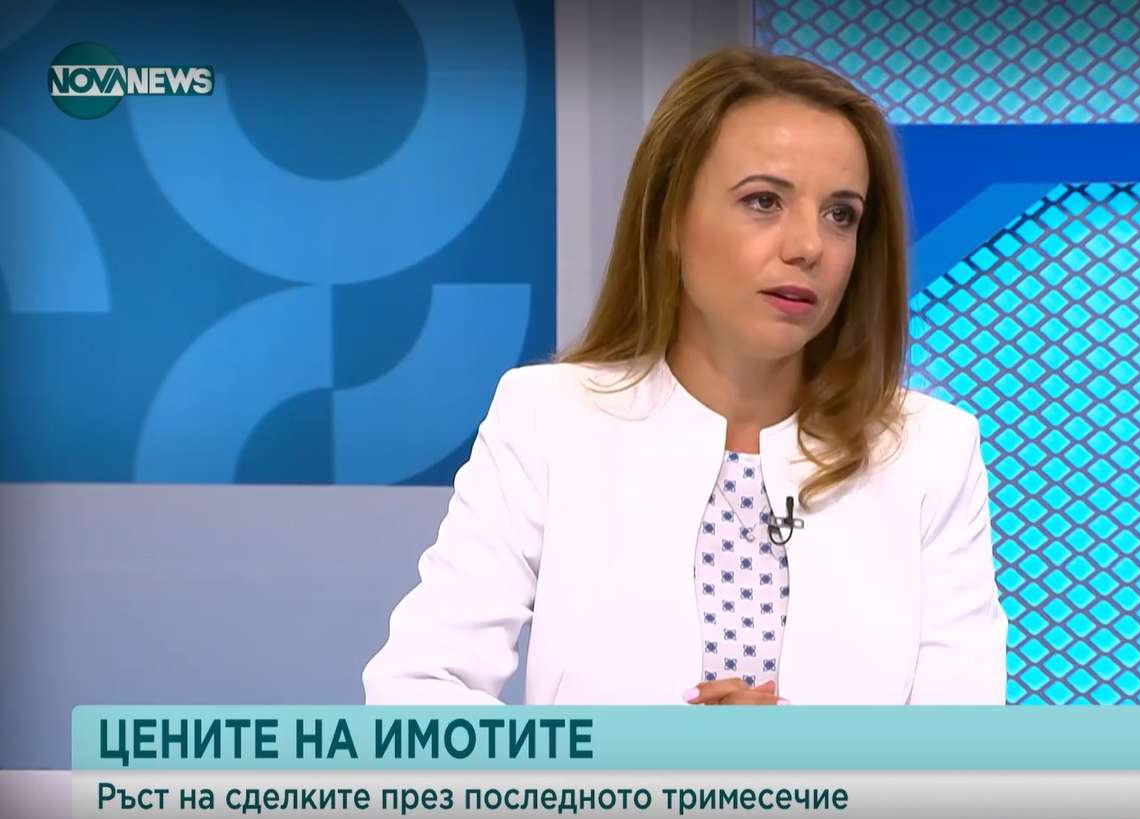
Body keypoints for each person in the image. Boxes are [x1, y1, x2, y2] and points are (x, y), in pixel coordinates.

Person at [362, 47, 1006, 707]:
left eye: (841, 214)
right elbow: (415, 691)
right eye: (764, 201)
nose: (808, 246)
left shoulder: (931, 452)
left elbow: (967, 750)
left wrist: (803, 755)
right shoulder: (548, 418)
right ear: (671, 219)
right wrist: (649, 761)